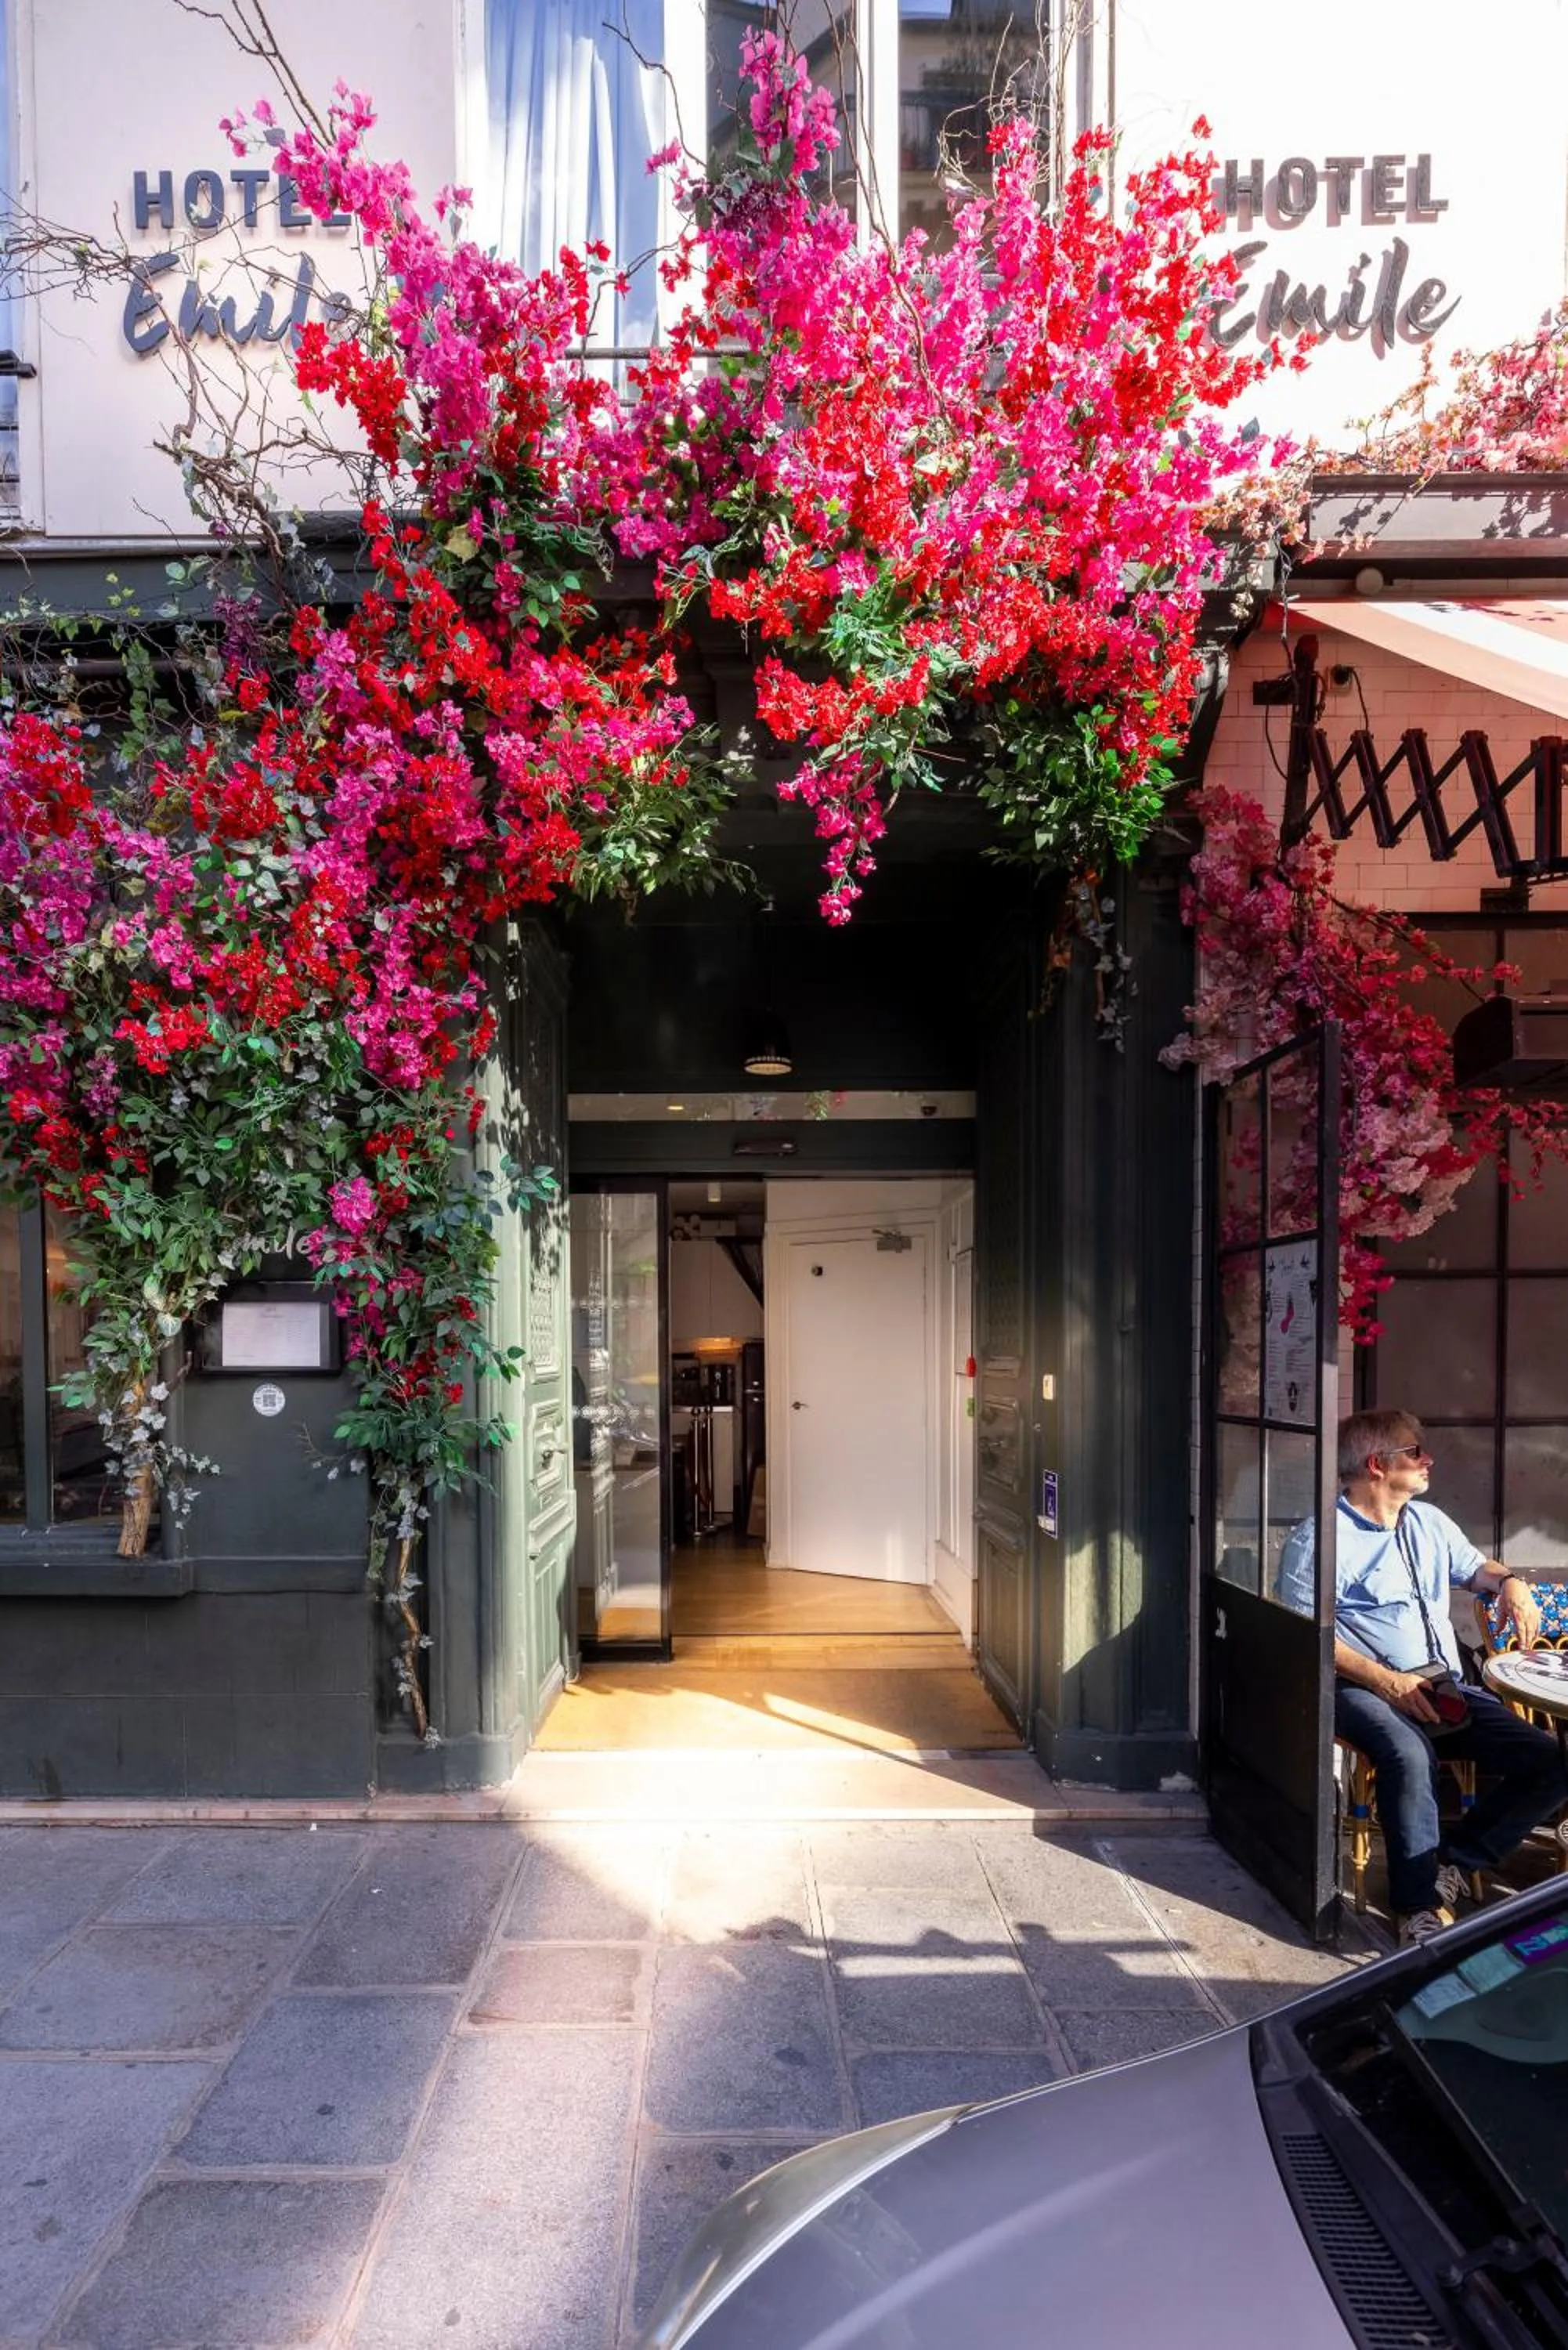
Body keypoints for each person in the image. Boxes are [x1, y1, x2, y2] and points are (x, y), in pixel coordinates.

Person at [1281, 1407, 1568, 1944]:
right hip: (1363, 1688)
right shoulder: (1320, 1539)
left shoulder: (1429, 1522)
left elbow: (1478, 1569)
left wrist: (1511, 1583)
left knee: (1553, 1762)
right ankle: (1417, 1908)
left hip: (1440, 1686)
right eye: (1415, 1452)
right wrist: (1386, 1681)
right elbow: (1306, 1637)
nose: (1428, 1460)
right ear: (1377, 1465)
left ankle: (1452, 1864)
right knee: (1410, 1756)